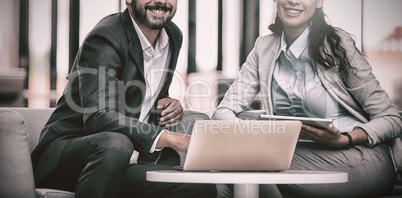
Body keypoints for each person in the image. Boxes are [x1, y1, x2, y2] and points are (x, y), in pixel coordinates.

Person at [213, 0, 402, 197]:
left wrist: (345, 139)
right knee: (235, 152)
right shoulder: (264, 47)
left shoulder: (338, 44)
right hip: (293, 153)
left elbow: (391, 119)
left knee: (245, 160)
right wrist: (248, 137)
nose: (293, 0)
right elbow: (223, 112)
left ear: (319, 2)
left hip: (360, 156)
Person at [31, 0, 217, 197]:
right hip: (72, 155)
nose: (162, 1)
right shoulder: (105, 37)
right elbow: (98, 116)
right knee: (116, 143)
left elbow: (145, 93)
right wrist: (168, 138)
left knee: (199, 187)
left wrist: (168, 102)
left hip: (126, 160)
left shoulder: (173, 36)